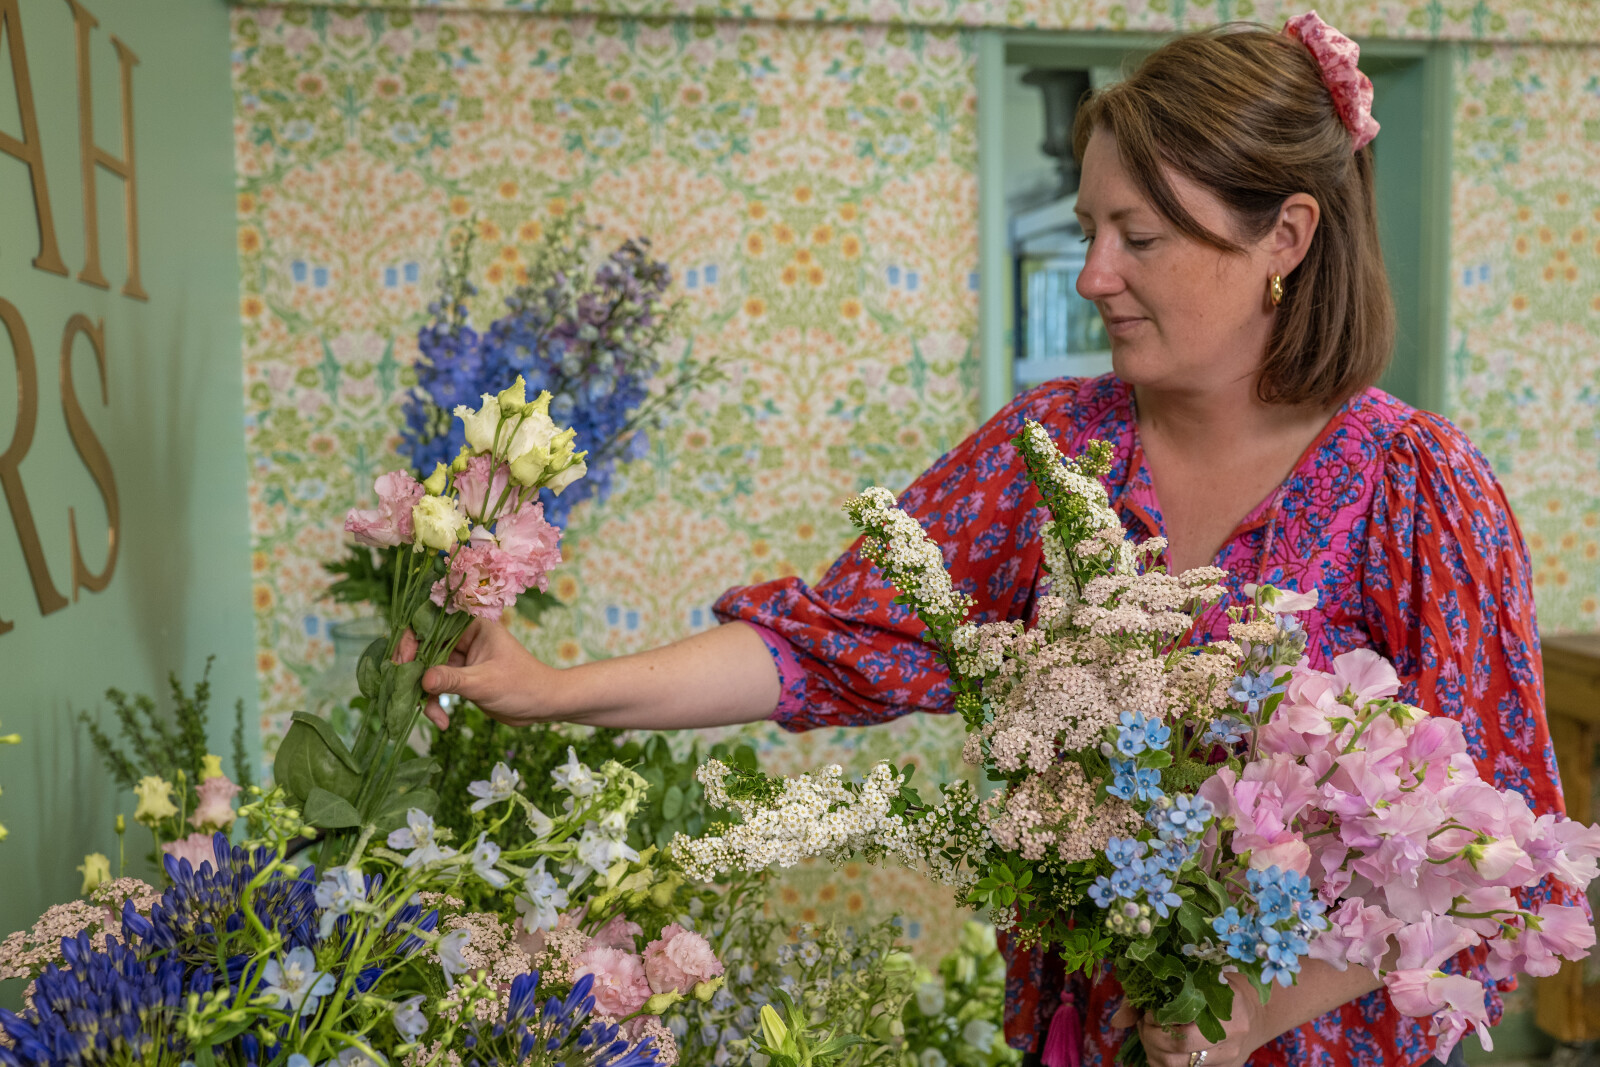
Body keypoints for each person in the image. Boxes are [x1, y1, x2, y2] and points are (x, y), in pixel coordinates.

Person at [416, 15, 1572, 1067]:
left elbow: (1499, 843)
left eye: (1139, 236)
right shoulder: (1051, 449)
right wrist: (552, 687)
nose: (1094, 275)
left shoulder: (1417, 487)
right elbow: (831, 640)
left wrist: (1248, 1010)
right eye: (1088, 229)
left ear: (1286, 234)